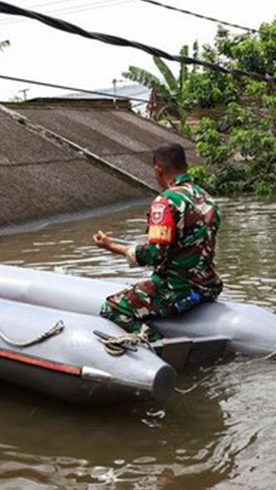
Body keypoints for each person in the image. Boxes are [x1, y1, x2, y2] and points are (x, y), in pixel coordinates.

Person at [92, 143, 222, 350]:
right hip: (208, 286)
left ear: (158, 169)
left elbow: (155, 255)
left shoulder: (165, 202)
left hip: (176, 289)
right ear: (185, 166)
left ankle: (155, 343)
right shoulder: (206, 197)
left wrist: (111, 246)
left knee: (111, 308)